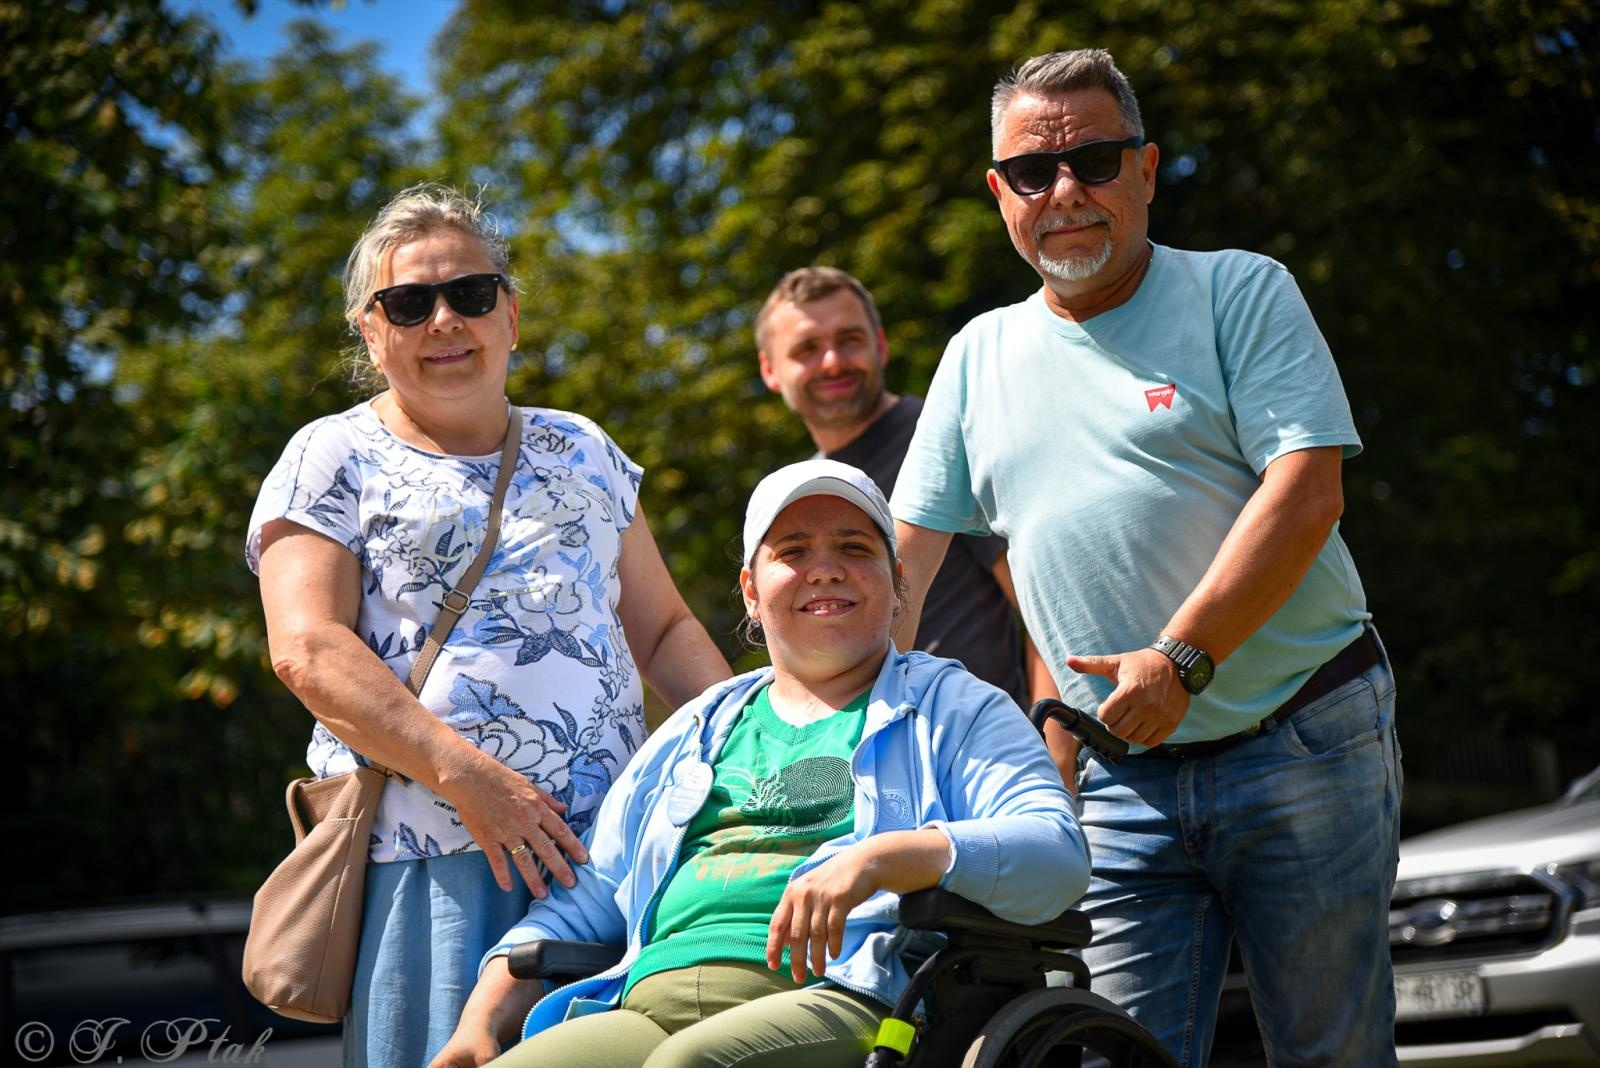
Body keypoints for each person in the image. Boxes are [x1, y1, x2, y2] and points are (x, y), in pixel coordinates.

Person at [889, 49, 1401, 1066]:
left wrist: (1180, 660)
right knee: (1102, 1054)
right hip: (1118, 785)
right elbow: (899, 576)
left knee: (1328, 1054)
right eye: (1033, 173)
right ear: (1000, 193)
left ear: (1148, 168)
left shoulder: (1238, 291)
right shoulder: (975, 356)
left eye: (1095, 160)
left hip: (1302, 733)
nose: (1065, 191)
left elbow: (1305, 493)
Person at [246, 182, 732, 1067]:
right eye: (409, 302)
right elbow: (307, 649)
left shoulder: (583, 446)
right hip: (440, 860)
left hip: (612, 857)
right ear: (370, 329)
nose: (444, 321)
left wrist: (753, 747)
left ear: (508, 314)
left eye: (470, 294)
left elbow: (660, 633)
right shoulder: (332, 453)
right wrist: (471, 779)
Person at [430, 459, 1089, 1068]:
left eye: (856, 550)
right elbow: (589, 897)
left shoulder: (955, 706)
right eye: (793, 553)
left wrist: (884, 858)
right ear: (751, 589)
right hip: (646, 998)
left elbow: (1055, 855)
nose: (825, 570)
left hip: (848, 993)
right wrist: (479, 1023)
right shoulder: (697, 726)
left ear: (896, 584)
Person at [754, 267, 1050, 708]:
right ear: (771, 371)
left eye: (850, 339)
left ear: (881, 346)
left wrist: (1055, 748)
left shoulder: (942, 441)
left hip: (979, 746)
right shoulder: (802, 495)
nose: (833, 360)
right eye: (808, 349)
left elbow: (1043, 603)